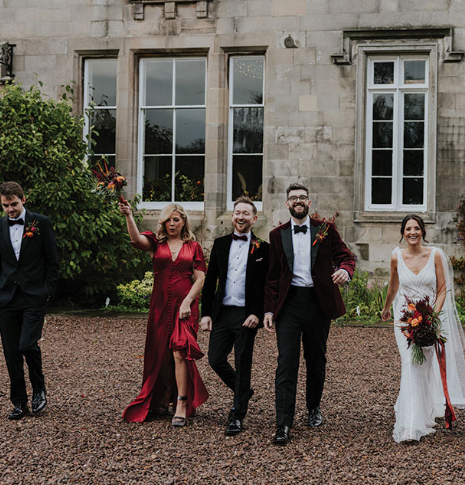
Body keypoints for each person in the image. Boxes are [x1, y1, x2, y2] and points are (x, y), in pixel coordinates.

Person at [263, 183, 356, 445]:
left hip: (317, 303)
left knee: (316, 360)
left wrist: (346, 271)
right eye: (293, 198)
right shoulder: (276, 235)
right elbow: (272, 276)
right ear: (287, 204)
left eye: (302, 197)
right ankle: (283, 423)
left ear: (309, 202)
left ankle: (313, 407)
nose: (298, 201)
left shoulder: (325, 229)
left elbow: (346, 256)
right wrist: (269, 309)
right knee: (286, 362)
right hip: (289, 304)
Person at [379, 215, 465, 443]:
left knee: (424, 366)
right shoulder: (396, 257)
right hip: (404, 320)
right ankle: (411, 424)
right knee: (411, 364)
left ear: (422, 232)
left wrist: (432, 316)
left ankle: (425, 409)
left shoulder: (435, 255)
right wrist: (385, 308)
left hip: (430, 319)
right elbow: (393, 287)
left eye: (417, 228)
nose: (412, 232)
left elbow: (442, 290)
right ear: (403, 232)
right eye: (408, 228)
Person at [120, 201, 208, 426]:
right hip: (159, 306)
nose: (172, 223)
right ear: (163, 222)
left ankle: (181, 402)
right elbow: (135, 240)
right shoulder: (155, 243)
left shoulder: (193, 246)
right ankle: (162, 397)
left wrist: (188, 301)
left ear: (183, 222)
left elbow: (200, 278)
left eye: (176, 219)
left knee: (180, 351)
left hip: (184, 307)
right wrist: (129, 215)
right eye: (168, 219)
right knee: (160, 353)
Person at [0, 181, 59, 420]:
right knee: (11, 353)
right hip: (6, 297)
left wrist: (47, 290)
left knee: (27, 344)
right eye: (6, 205)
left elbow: (52, 261)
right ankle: (19, 401)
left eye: (14, 204)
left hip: (34, 296)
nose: (10, 210)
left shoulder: (42, 223)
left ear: (23, 200)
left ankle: (39, 389)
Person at [200, 196, 270, 436]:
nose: (241, 217)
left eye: (246, 213)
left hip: (246, 315)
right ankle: (243, 390)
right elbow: (210, 282)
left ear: (254, 218)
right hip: (222, 313)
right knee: (215, 359)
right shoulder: (220, 244)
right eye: (237, 213)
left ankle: (237, 415)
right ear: (232, 217)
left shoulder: (263, 248)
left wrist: (257, 314)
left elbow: (266, 285)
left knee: (243, 362)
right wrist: (206, 313)